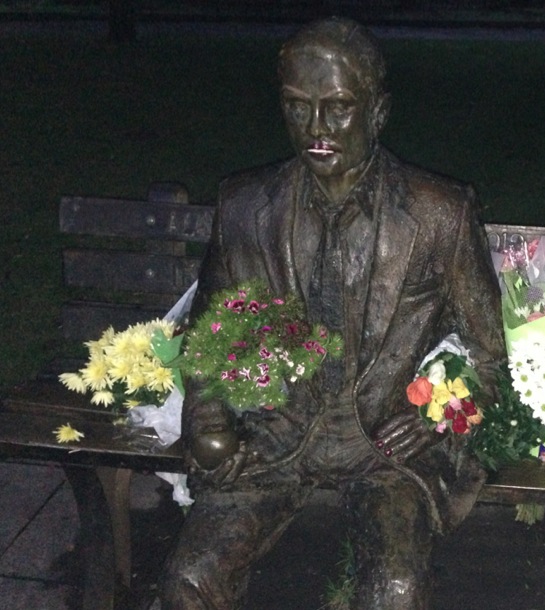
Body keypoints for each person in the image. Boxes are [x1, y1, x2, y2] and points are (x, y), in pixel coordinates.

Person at [160, 17, 505, 610]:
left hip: (385, 451)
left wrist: (443, 414)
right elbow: (207, 339)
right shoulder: (245, 206)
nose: (315, 129)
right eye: (297, 107)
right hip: (272, 440)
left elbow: (489, 359)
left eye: (339, 107)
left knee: (394, 590)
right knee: (190, 579)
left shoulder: (440, 214)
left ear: (378, 111)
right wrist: (208, 418)